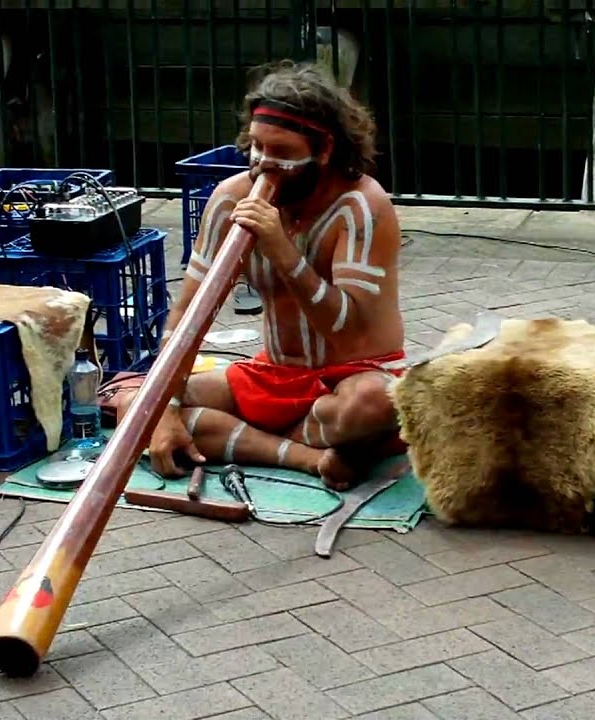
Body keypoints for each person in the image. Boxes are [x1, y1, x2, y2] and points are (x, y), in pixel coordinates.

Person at [144, 60, 407, 490]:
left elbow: (349, 333)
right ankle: (310, 457)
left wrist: (282, 250)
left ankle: (251, 440)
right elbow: (186, 313)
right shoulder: (231, 199)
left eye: (282, 153)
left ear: (323, 150)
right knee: (139, 403)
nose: (263, 165)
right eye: (256, 147)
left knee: (376, 405)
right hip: (272, 376)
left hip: (354, 378)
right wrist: (166, 405)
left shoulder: (360, 206)